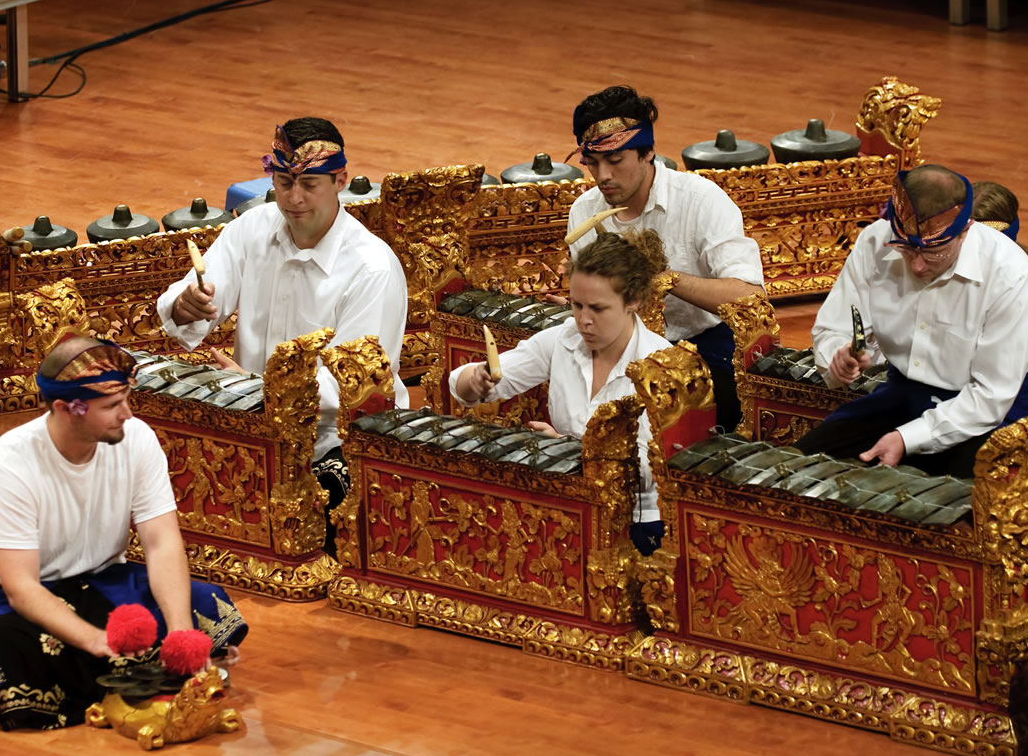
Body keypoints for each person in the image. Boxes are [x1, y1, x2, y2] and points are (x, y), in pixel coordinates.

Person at [793, 165, 1028, 615]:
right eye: (907, 250)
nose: (916, 265)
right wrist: (840, 357)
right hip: (904, 395)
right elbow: (836, 327)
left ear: (965, 229)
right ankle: (829, 601)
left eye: (933, 253)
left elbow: (991, 395)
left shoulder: (1011, 274)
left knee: (968, 509)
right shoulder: (876, 241)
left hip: (992, 415)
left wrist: (908, 438)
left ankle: (987, 619)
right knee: (802, 468)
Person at [0, 337, 248, 730]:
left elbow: (161, 542)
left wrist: (181, 635)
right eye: (112, 406)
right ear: (66, 408)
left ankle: (123, 669)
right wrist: (97, 642)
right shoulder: (9, 466)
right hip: (16, 601)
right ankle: (123, 669)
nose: (127, 414)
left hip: (105, 582)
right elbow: (21, 589)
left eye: (126, 400)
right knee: (18, 645)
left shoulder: (137, 438)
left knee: (203, 602)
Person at [157, 117, 410, 534]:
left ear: (340, 180)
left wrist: (254, 391)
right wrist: (186, 306)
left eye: (309, 185)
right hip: (251, 422)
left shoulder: (373, 268)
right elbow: (187, 302)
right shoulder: (252, 228)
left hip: (339, 441)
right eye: (283, 182)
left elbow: (353, 390)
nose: (294, 199)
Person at [450, 229, 673, 555]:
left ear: (633, 301)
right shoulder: (562, 339)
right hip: (568, 505)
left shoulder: (662, 367)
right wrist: (476, 380)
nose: (583, 320)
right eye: (577, 305)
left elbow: (650, 473)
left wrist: (569, 450)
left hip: (639, 520)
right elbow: (464, 386)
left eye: (597, 308)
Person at [565, 85, 765, 432]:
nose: (603, 176)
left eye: (615, 161)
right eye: (592, 163)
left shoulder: (702, 201)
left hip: (702, 345)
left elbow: (748, 296)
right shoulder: (584, 211)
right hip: (619, 343)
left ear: (647, 154)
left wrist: (663, 279)